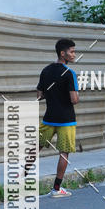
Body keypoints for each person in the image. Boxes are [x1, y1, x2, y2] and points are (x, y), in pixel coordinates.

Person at [26, 38, 79, 197]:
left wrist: (52, 93)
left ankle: (20, 178)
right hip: (66, 120)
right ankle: (56, 189)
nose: (74, 55)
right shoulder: (70, 74)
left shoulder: (46, 70)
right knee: (64, 153)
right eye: (71, 52)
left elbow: (39, 95)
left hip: (49, 118)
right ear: (62, 54)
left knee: (36, 148)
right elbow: (74, 100)